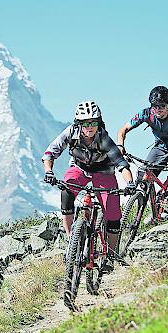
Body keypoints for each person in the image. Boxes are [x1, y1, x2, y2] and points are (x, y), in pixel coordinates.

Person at [42, 100, 135, 272]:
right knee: (66, 191)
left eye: (93, 122)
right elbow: (50, 153)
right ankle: (73, 241)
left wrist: (129, 183)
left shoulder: (103, 138)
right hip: (80, 167)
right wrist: (49, 171)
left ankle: (110, 255)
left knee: (112, 211)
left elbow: (121, 164)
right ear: (79, 124)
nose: (89, 127)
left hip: (103, 172)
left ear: (98, 123)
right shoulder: (71, 132)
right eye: (85, 123)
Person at [116, 85, 168, 214]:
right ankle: (151, 211)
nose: (158, 110)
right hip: (162, 146)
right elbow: (123, 130)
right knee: (143, 174)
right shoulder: (146, 113)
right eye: (155, 106)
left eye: (162, 106)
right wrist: (120, 145)